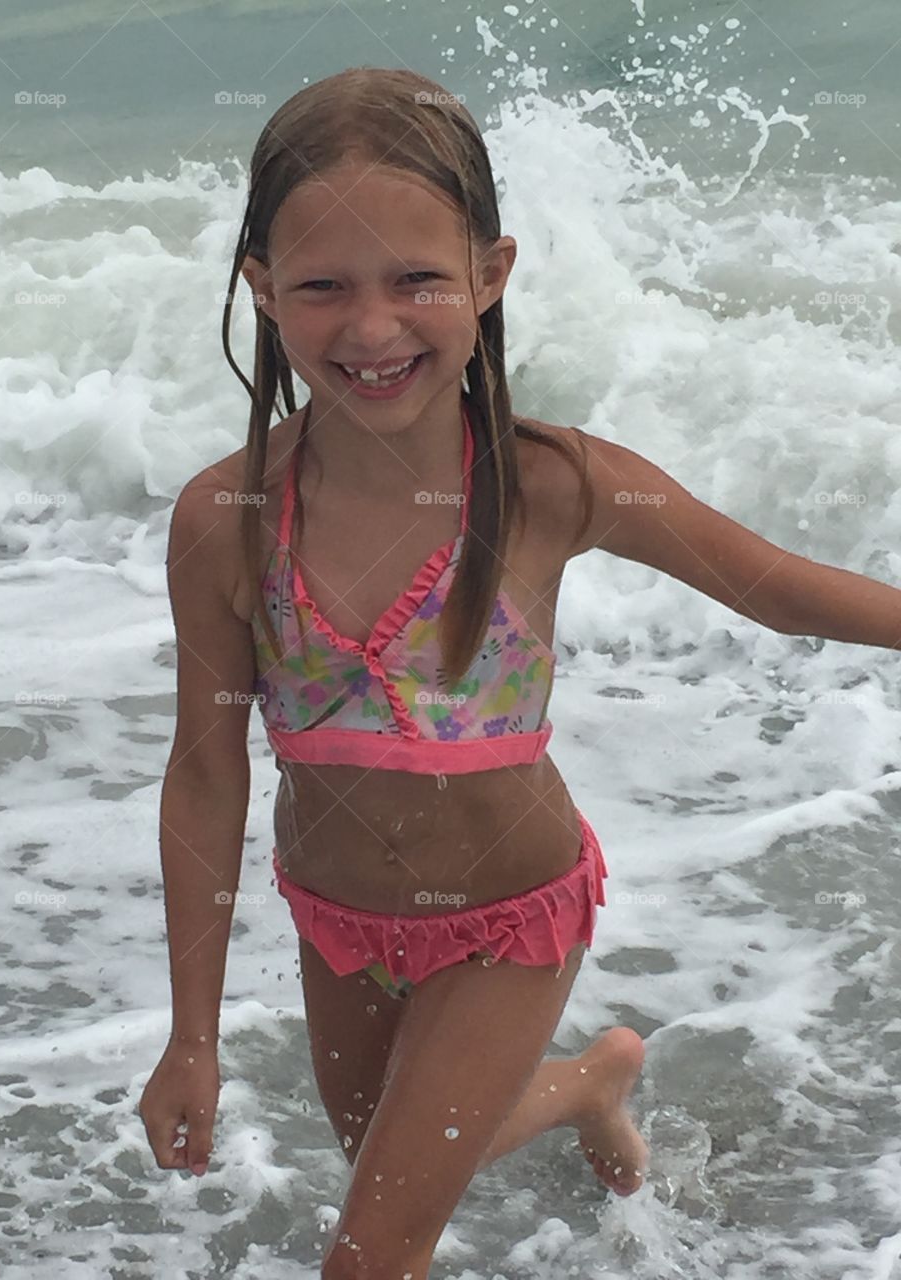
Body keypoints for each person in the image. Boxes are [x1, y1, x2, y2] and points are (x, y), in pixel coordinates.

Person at [139, 67, 901, 1280]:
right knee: (399, 1157)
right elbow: (203, 771)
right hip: (337, 921)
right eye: (325, 285)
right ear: (263, 288)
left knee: (371, 1249)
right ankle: (590, 1085)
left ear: (489, 275)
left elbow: (770, 582)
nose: (373, 326)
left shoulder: (552, 481)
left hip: (510, 920)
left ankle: (569, 1071)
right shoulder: (225, 517)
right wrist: (192, 1036)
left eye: (417, 279)